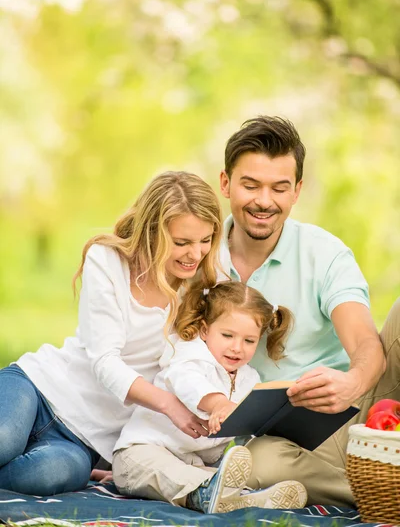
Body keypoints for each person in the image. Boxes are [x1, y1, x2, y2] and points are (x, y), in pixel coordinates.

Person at [0, 171, 223, 496]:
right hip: (37, 387)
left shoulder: (201, 291)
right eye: (182, 242)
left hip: (84, 440)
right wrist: (170, 405)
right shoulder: (107, 261)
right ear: (152, 232)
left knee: (46, 476)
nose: (196, 253)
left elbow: (197, 363)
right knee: (3, 439)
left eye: (206, 240)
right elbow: (104, 360)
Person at [219, 115, 400, 506]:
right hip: (270, 443)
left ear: (297, 191)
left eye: (279, 188)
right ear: (225, 183)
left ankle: (380, 470)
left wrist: (351, 383)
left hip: (350, 413)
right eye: (250, 185)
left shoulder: (323, 252)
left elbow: (367, 344)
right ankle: (375, 487)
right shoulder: (198, 255)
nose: (264, 201)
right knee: (253, 461)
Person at [113, 280, 307, 513]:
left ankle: (246, 498)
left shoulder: (250, 380)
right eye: (227, 335)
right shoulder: (189, 354)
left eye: (249, 341)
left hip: (192, 462)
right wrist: (218, 404)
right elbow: (188, 383)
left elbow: (246, 429)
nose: (237, 347)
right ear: (205, 330)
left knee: (211, 477)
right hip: (141, 451)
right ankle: (207, 495)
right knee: (167, 472)